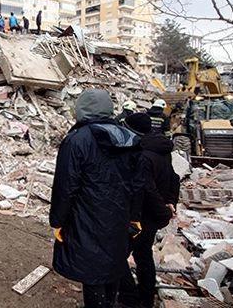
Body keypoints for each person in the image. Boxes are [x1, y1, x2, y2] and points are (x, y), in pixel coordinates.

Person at [50, 89, 143, 308]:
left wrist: (58, 221)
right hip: (119, 217)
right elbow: (138, 185)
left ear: (81, 110)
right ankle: (108, 303)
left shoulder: (76, 140)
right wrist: (134, 216)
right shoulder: (129, 138)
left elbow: (65, 186)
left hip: (86, 217)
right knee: (113, 263)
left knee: (91, 270)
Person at [119, 113, 179, 308]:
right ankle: (146, 297)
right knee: (143, 255)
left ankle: (129, 298)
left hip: (141, 215)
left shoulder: (142, 155)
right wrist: (170, 202)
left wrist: (161, 209)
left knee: (117, 256)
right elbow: (174, 178)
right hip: (152, 216)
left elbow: (145, 187)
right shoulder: (162, 150)